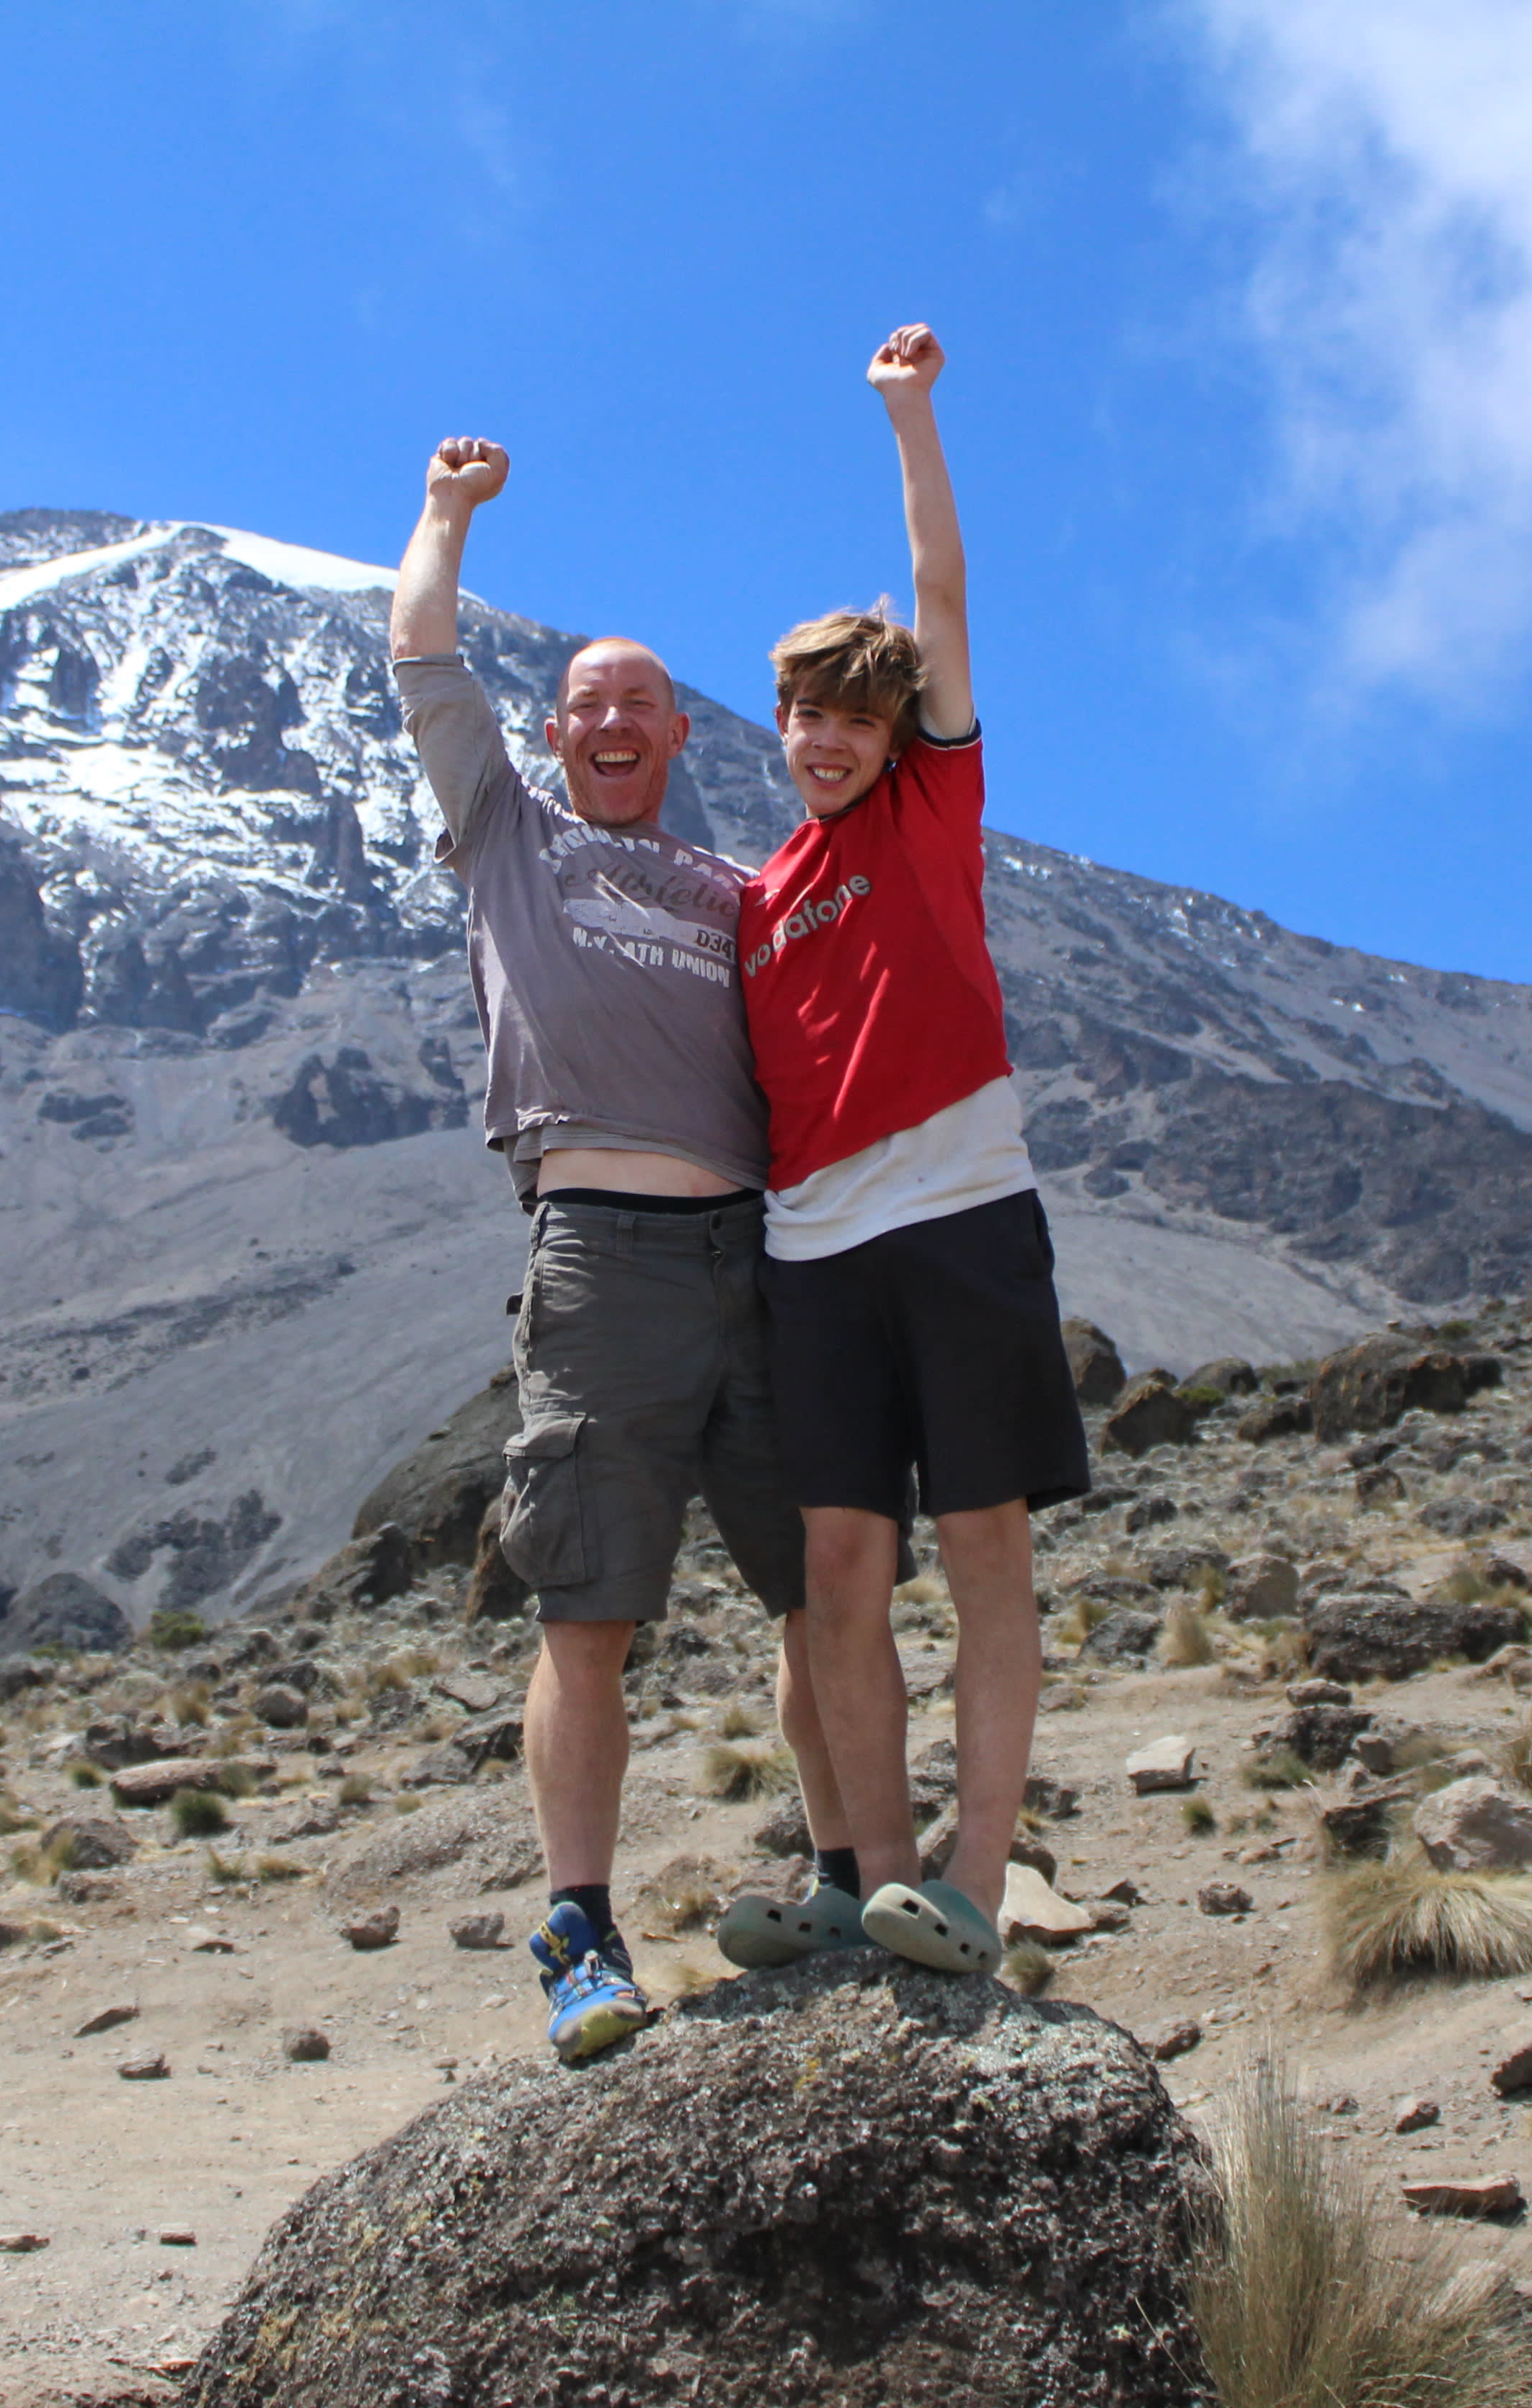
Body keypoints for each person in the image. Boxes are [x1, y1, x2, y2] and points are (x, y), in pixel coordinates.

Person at [386, 435, 853, 2061]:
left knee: (825, 1590)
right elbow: (423, 659)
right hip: (599, 1255)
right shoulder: (507, 836)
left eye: (639, 702)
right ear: (555, 732)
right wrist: (446, 514)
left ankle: (853, 1877)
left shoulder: (736, 887)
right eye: (585, 701)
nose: (609, 721)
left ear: (675, 734)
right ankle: (581, 1930)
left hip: (759, 1254)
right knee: (587, 1614)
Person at [739, 324, 1086, 1979]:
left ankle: (983, 1877)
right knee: (836, 1569)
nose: (829, 742)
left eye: (854, 722)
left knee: (986, 1546)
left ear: (892, 736)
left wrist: (910, 416)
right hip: (814, 1255)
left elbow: (939, 601)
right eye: (807, 715)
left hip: (958, 1213)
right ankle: (879, 1881)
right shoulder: (760, 896)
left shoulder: (927, 808)